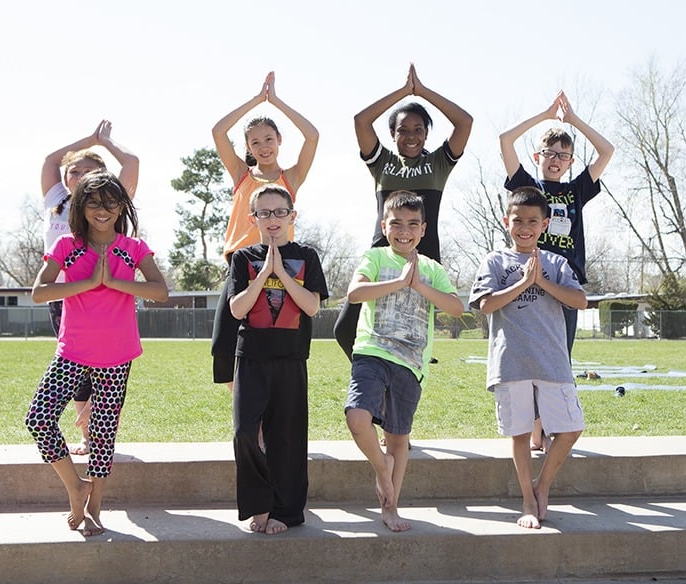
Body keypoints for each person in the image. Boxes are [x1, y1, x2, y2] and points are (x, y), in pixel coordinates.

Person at [26, 171, 168, 537]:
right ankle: (76, 486)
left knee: (103, 434)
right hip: (72, 352)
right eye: (93, 202)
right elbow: (39, 292)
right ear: (80, 206)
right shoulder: (66, 246)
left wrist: (115, 283)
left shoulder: (134, 247)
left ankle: (95, 509)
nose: (102, 210)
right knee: (39, 418)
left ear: (122, 206)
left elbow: (160, 291)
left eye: (110, 203)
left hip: (117, 356)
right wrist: (87, 283)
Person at [333, 63, 472, 361]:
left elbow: (465, 122)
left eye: (418, 130)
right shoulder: (381, 162)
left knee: (410, 333)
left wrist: (421, 92)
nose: (411, 136)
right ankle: (370, 376)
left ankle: (397, 387)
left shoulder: (438, 164)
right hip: (383, 250)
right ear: (393, 134)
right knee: (345, 329)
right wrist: (402, 92)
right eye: (402, 130)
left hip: (422, 255)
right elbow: (361, 121)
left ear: (427, 133)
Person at [499, 91, 614, 450]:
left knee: (559, 359)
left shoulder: (576, 189)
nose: (555, 159)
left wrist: (573, 120)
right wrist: (545, 115)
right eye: (549, 153)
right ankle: (536, 430)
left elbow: (607, 151)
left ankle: (551, 427)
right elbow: (504, 141)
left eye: (563, 155)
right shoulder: (528, 190)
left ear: (570, 161)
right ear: (538, 156)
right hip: (530, 284)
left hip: (564, 285)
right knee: (533, 357)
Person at [468, 186, 588, 529]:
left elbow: (579, 301)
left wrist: (542, 282)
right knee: (519, 434)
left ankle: (542, 486)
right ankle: (526, 500)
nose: (525, 227)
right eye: (518, 220)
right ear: (507, 221)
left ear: (545, 224)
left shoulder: (556, 263)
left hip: (552, 361)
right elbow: (486, 305)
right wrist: (522, 283)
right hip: (511, 362)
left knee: (571, 429)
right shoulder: (495, 261)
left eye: (533, 221)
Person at [344, 191, 464, 532]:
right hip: (372, 352)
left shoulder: (431, 268)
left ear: (423, 230)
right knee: (357, 416)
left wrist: (419, 286)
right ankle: (383, 469)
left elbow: (456, 308)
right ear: (385, 226)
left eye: (412, 224)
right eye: (396, 223)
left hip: (411, 363)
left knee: (398, 437)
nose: (404, 230)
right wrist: (398, 282)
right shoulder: (376, 258)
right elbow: (355, 293)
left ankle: (391, 506)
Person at [227, 185, 328, 535]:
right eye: (264, 213)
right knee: (244, 433)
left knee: (287, 438)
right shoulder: (242, 258)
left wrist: (282, 273)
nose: (272, 220)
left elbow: (312, 307)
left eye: (279, 213)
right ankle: (259, 505)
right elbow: (237, 308)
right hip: (252, 359)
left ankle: (286, 510)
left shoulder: (306, 256)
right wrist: (263, 274)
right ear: (253, 218)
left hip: (291, 359)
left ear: (291, 216)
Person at [211, 71, 319, 391]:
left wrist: (277, 102)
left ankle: (268, 417)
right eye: (255, 141)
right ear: (247, 146)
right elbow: (218, 131)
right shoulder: (242, 174)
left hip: (280, 266)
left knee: (271, 345)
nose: (263, 146)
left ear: (279, 141)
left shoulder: (291, 177)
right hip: (240, 265)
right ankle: (247, 412)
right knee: (222, 346)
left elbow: (312, 136)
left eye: (269, 139)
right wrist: (257, 100)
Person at [41, 120, 140, 455]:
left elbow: (132, 164)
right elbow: (49, 161)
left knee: (109, 369)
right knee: (77, 367)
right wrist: (87, 141)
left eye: (89, 169)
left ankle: (103, 434)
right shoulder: (57, 199)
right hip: (64, 294)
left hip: (108, 293)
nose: (79, 175)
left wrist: (105, 142)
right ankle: (86, 434)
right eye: (74, 170)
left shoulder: (108, 202)